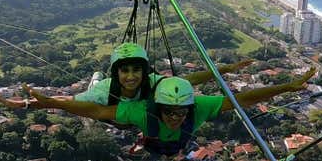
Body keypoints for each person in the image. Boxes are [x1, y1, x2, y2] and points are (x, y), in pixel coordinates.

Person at [0, 67, 317, 156]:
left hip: (176, 144)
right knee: (99, 106)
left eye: (181, 111)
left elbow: (241, 99)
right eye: (171, 111)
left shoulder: (195, 105)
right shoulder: (140, 109)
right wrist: (39, 103)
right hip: (150, 137)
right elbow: (89, 109)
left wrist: (286, 87)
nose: (177, 116)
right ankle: (143, 142)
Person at [73, 42, 252, 105]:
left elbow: (190, 80)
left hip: (130, 113)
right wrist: (46, 102)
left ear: (145, 71)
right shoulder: (102, 91)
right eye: (124, 71)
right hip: (106, 103)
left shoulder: (152, 82)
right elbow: (70, 101)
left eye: (136, 70)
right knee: (96, 84)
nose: (131, 76)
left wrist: (225, 70)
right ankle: (96, 77)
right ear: (116, 73)